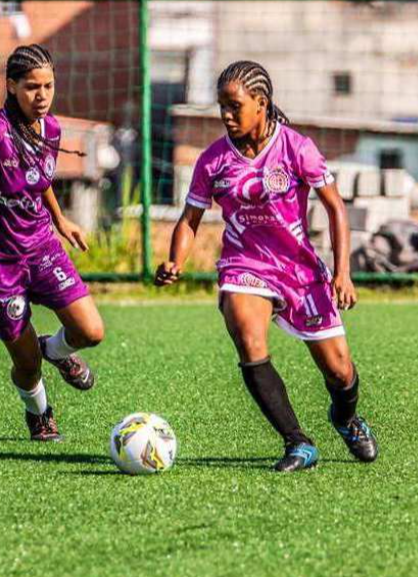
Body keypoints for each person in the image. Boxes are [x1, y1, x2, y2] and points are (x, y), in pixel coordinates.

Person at [155, 60, 378, 472]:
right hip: (245, 265)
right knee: (247, 336)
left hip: (299, 271)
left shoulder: (297, 148)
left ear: (261, 103)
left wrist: (342, 272)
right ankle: (297, 442)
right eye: (221, 105)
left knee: (340, 371)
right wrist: (175, 260)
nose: (225, 115)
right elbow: (190, 219)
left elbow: (335, 209)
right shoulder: (213, 160)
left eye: (234, 105)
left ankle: (345, 418)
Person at [0, 44, 105, 442]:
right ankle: (40, 415)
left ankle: (58, 351)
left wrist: (59, 217)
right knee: (26, 361)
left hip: (39, 245)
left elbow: (40, 178)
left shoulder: (50, 128)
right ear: (12, 86)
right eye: (32, 87)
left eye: (48, 86)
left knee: (91, 331)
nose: (42, 96)